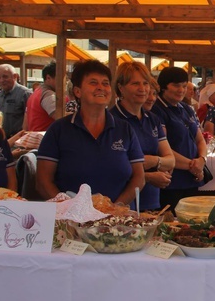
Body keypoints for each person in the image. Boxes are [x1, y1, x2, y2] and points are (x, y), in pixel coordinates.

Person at [36, 60, 145, 205]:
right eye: (93, 83)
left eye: (105, 83)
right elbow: (43, 182)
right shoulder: (59, 130)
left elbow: (139, 177)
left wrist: (115, 208)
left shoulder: (125, 130)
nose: (101, 88)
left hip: (117, 222)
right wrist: (70, 209)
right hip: (71, 221)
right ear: (77, 91)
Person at [110, 62, 175, 212]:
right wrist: (150, 176)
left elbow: (170, 161)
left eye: (145, 83)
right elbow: (115, 167)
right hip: (121, 203)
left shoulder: (152, 119)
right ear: (121, 88)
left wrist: (152, 161)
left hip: (151, 201)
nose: (143, 89)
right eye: (135, 84)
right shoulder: (112, 120)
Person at [151, 66, 208, 213]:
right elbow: (162, 147)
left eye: (184, 86)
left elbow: (200, 140)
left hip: (192, 179)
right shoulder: (156, 110)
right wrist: (193, 166)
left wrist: (202, 160)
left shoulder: (186, 108)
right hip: (171, 181)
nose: (181, 90)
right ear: (163, 87)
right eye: (176, 85)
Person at [0, 63, 32, 138]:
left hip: (17, 141)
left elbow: (30, 119)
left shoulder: (25, 94)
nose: (1, 80)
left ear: (15, 76)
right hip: (2, 139)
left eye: (5, 77)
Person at [25, 62, 58, 132]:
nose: (65, 82)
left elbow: (25, 124)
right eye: (61, 78)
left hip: (34, 137)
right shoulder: (48, 94)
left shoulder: (36, 92)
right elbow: (60, 117)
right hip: (45, 138)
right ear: (48, 78)